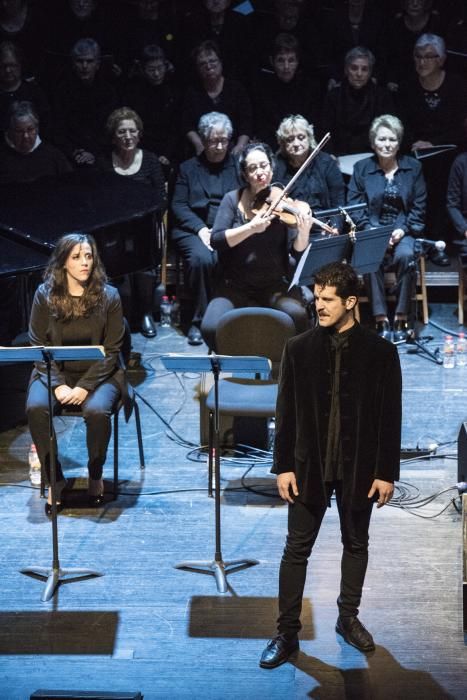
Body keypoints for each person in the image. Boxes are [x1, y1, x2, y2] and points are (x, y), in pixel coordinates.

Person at [260, 261, 401, 669]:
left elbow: (390, 416)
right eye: (316, 298)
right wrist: (282, 466)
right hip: (308, 466)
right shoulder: (298, 348)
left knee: (356, 543)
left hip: (359, 466)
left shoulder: (381, 353)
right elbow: (285, 414)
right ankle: (286, 633)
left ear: (350, 302)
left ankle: (347, 618)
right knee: (296, 549)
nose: (318, 306)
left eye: (326, 299)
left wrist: (386, 472)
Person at [26, 233, 126, 515]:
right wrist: (57, 385)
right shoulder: (44, 295)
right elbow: (37, 344)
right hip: (53, 372)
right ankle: (54, 479)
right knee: (35, 406)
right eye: (76, 257)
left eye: (88, 256)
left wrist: (83, 387)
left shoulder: (109, 296)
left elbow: (113, 349)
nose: (84, 263)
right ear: (63, 262)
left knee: (96, 412)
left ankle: (95, 474)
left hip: (100, 375)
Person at [200, 141, 311, 350]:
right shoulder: (232, 200)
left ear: (271, 167)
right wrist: (250, 228)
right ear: (244, 173)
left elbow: (296, 255)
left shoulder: (282, 202)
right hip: (235, 284)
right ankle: (239, 359)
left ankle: (284, 365)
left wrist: (303, 232)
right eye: (253, 168)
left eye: (264, 165)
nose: (260, 172)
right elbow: (216, 241)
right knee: (210, 328)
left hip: (274, 284)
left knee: (298, 317)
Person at [347, 114, 426, 342]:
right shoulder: (362, 168)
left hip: (405, 231)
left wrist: (401, 230)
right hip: (372, 230)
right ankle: (381, 318)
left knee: (406, 256)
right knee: (370, 258)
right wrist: (373, 231)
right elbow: (354, 206)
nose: (387, 144)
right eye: (381, 139)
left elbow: (419, 208)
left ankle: (401, 317)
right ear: (373, 143)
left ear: (399, 143)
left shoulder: (414, 168)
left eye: (392, 139)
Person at [171, 111, 242, 345]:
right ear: (203, 140)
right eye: (213, 141)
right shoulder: (187, 168)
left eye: (224, 140)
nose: (220, 146)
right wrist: (201, 229)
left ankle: (232, 317)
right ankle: (198, 321)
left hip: (227, 227)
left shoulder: (237, 166)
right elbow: (179, 205)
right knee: (202, 259)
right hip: (194, 229)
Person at [98, 106, 167, 338]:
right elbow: (100, 200)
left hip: (144, 226)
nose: (127, 137)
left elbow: (160, 198)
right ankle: (123, 317)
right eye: (121, 132)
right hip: (113, 228)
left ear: (139, 134)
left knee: (144, 254)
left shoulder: (150, 161)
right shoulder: (104, 162)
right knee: (115, 256)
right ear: (113, 136)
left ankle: (145, 313)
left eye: (132, 131)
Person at [398, 33, 467, 253]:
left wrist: (433, 142)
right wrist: (414, 142)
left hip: (449, 153)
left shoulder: (457, 85)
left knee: (443, 186)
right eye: (418, 56)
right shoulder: (407, 86)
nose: (422, 61)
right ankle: (418, 239)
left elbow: (460, 126)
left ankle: (441, 243)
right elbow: (402, 123)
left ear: (441, 59)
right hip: (416, 152)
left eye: (429, 57)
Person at [50, 37, 118, 167]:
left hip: (101, 151)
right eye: (80, 61)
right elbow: (57, 128)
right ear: (73, 63)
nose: (84, 66)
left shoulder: (108, 91)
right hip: (70, 152)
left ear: (97, 64)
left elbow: (110, 126)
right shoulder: (62, 91)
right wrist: (74, 152)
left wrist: (93, 152)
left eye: (89, 61)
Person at [274, 114, 345, 235]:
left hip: (322, 228)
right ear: (282, 143)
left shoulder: (326, 162)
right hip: (290, 230)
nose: (296, 143)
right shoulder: (276, 165)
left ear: (309, 138)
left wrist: (335, 227)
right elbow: (272, 197)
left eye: (301, 137)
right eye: (290, 140)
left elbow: (338, 200)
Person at [181, 39, 252, 157]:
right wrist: (199, 146)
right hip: (202, 149)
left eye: (212, 61)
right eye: (202, 64)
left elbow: (246, 123)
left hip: (232, 148)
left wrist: (240, 146)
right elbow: (186, 124)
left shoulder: (236, 89)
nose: (208, 66)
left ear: (221, 62)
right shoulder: (192, 93)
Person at [321, 46, 395, 156]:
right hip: (340, 157)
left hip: (373, 156)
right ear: (346, 70)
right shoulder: (333, 97)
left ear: (370, 72)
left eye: (364, 69)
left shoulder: (382, 97)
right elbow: (325, 132)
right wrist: (330, 156)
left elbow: (388, 131)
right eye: (354, 68)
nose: (359, 74)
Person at [251, 33, 320, 149]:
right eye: (281, 61)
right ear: (272, 61)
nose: (286, 66)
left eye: (291, 60)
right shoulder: (261, 89)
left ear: (298, 61)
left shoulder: (310, 87)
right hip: (274, 148)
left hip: (303, 147)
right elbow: (262, 127)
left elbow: (313, 124)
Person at [0, 100, 71, 184]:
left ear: (37, 128)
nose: (26, 136)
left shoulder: (53, 155)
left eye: (30, 129)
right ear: (10, 131)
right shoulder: (2, 156)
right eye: (19, 131)